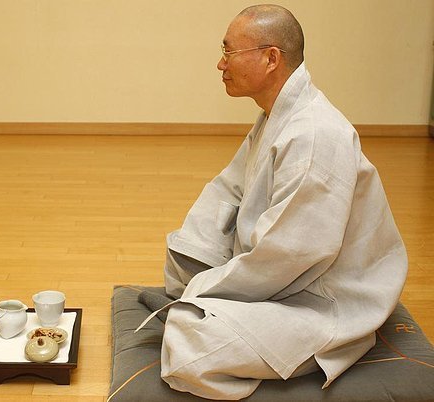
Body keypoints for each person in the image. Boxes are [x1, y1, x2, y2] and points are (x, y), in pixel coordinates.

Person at [136, 4, 407, 400]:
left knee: (189, 345)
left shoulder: (315, 134)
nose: (219, 64)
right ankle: (225, 318)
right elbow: (228, 190)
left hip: (323, 298)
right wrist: (196, 264)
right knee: (184, 255)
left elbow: (292, 255)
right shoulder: (276, 115)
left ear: (270, 58)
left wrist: (204, 291)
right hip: (279, 273)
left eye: (228, 52)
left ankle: (293, 355)